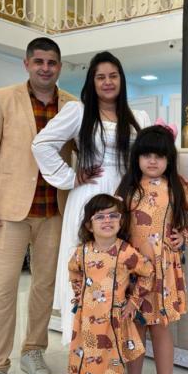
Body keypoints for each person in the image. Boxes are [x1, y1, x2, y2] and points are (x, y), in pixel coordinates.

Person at [0, 37, 76, 374]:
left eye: (52, 62)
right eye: (39, 61)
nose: (45, 68)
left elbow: (81, 152)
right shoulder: (2, 99)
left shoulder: (73, 105)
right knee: (2, 289)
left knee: (44, 286)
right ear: (27, 64)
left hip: (54, 212)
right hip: (9, 211)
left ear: (60, 67)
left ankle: (33, 350)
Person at [31, 51, 150, 345]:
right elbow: (41, 143)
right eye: (100, 77)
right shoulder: (78, 112)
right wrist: (70, 177)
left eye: (113, 76)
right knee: (88, 270)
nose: (107, 82)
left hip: (126, 198)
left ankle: (115, 347)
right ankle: (85, 348)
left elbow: (149, 159)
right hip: (89, 197)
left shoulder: (139, 117)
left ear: (121, 79)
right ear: (92, 82)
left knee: (122, 270)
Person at [116, 124, 188, 374]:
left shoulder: (178, 185)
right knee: (134, 328)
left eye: (159, 155)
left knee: (158, 328)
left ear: (169, 158)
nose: (153, 161)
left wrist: (185, 235)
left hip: (162, 270)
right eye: (146, 155)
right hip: (131, 268)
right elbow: (115, 221)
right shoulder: (128, 186)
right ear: (137, 158)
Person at [68, 193, 154, 374]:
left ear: (121, 221)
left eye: (113, 215)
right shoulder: (82, 253)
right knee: (89, 368)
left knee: (114, 370)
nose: (107, 220)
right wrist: (79, 297)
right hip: (87, 322)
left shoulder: (126, 252)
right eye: (100, 216)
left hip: (115, 322)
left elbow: (148, 272)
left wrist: (134, 301)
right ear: (89, 224)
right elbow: (73, 272)